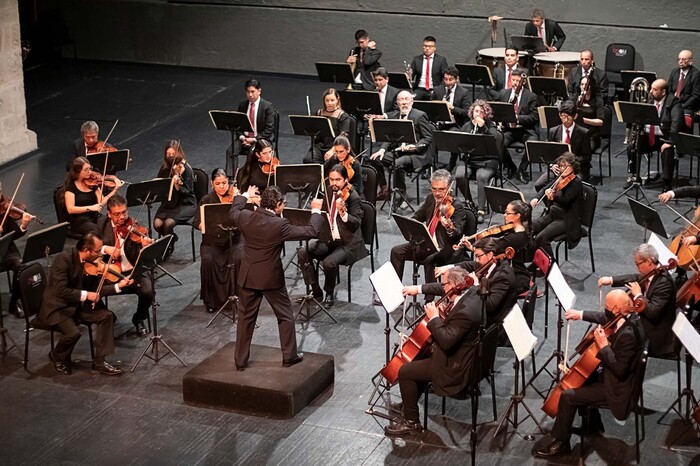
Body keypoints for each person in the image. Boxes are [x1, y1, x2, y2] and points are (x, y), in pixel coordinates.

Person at [536, 289, 646, 457]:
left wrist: (604, 347)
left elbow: (621, 370)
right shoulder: (625, 317)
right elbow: (603, 317)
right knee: (581, 378)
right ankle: (592, 421)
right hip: (611, 377)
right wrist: (580, 314)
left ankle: (561, 442)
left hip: (617, 389)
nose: (605, 309)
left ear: (616, 309)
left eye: (607, 306)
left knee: (568, 395)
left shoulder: (628, 336)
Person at [229, 185, 324, 370]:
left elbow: (234, 211)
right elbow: (311, 231)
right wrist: (315, 209)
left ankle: (240, 361)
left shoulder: (247, 217)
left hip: (248, 276)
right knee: (285, 316)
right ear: (278, 204)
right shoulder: (280, 225)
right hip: (270, 279)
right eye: (284, 204)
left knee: (245, 319)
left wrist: (246, 195)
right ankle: (289, 356)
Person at [383, 267, 481, 436]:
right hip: (463, 356)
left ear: (454, 285)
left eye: (444, 285)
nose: (442, 288)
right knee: (420, 360)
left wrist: (435, 317)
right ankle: (409, 404)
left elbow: (447, 341)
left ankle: (411, 422)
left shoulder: (464, 312)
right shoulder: (472, 294)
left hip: (455, 368)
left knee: (405, 371)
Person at [39, 232, 133, 376]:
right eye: (97, 251)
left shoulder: (90, 264)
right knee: (73, 334)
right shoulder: (63, 260)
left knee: (106, 316)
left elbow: (96, 288)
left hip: (77, 304)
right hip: (58, 306)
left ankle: (100, 362)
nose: (100, 255)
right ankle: (56, 356)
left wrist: (119, 285)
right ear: (87, 251)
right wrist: (86, 295)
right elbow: (60, 291)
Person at [375, 170, 468, 306]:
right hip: (427, 243)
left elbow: (457, 233)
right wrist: (414, 227)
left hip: (445, 248)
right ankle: (395, 293)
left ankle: (428, 301)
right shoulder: (431, 199)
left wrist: (449, 227)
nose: (437, 193)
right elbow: (417, 217)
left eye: (441, 189)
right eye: (434, 189)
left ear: (449, 188)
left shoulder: (457, 207)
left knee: (429, 259)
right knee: (397, 251)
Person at [297, 164, 366, 307]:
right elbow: (324, 214)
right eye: (331, 179)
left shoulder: (353, 197)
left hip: (348, 243)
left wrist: (344, 215)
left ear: (346, 179)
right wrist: (315, 211)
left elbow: (357, 223)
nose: (334, 183)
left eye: (338, 180)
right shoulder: (329, 190)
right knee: (303, 252)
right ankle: (315, 290)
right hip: (329, 238)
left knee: (329, 262)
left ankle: (329, 292)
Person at [592, 244, 677, 358]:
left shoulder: (664, 283)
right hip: (644, 320)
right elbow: (635, 278)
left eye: (638, 264)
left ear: (649, 261)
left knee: (622, 338)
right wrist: (611, 280)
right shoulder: (653, 273)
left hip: (654, 334)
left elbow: (653, 312)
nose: (637, 268)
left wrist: (638, 295)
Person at [97, 195, 154, 337]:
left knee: (148, 291)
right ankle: (107, 316)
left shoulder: (132, 225)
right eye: (117, 214)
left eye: (124, 212)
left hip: (132, 271)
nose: (122, 217)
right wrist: (105, 248)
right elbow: (87, 248)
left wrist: (143, 246)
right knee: (91, 290)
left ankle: (139, 318)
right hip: (110, 273)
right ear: (109, 214)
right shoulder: (100, 226)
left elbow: (140, 256)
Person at [427, 237, 518, 325]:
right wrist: (447, 267)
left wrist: (476, 285)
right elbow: (470, 265)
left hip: (491, 320)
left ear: (490, 254)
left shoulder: (503, 277)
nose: (477, 260)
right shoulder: (492, 263)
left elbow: (490, 306)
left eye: (478, 256)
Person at [449, 200, 533, 295]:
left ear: (518, 216)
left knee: (477, 289)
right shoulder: (513, 229)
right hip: (504, 270)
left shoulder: (516, 238)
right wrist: (472, 247)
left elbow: (492, 249)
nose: (504, 215)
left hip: (514, 276)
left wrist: (473, 247)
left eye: (508, 213)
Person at [369, 90, 433, 212]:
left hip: (417, 154)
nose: (404, 102)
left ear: (412, 101)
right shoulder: (395, 116)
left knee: (396, 164)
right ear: (397, 103)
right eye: (401, 100)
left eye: (406, 99)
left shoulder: (420, 115)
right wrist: (382, 150)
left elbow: (428, 138)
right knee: (375, 159)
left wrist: (415, 146)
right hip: (401, 152)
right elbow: (390, 137)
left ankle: (403, 196)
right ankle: (384, 189)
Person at [194, 169, 243, 313]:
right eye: (218, 184)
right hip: (212, 242)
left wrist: (239, 200)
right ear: (212, 184)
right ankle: (212, 301)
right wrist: (202, 224)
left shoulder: (235, 197)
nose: (222, 187)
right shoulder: (207, 200)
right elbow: (196, 220)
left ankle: (240, 297)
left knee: (239, 257)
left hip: (233, 240)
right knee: (208, 259)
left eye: (224, 183)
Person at [624, 79, 683, 191]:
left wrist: (670, 142)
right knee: (633, 145)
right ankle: (634, 177)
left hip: (664, 138)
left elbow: (676, 124)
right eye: (651, 88)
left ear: (663, 92)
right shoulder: (649, 100)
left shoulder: (674, 103)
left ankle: (667, 183)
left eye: (655, 90)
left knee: (667, 151)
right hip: (648, 136)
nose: (650, 91)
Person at [455, 100, 503, 222]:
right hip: (470, 160)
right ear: (472, 112)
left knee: (481, 176)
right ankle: (469, 202)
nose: (478, 114)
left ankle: (481, 209)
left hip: (487, 161)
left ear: (485, 114)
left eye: (482, 112)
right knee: (460, 175)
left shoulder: (491, 126)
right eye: (476, 111)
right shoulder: (467, 126)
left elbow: (493, 141)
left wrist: (483, 128)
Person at [530, 152, 582, 258]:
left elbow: (566, 200)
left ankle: (551, 267)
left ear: (573, 166)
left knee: (541, 238)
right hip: (553, 215)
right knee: (529, 228)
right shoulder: (560, 179)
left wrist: (554, 196)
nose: (562, 169)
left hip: (567, 220)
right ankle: (536, 261)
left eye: (565, 166)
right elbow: (545, 188)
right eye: (561, 166)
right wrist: (536, 198)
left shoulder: (576, 183)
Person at [534, 100, 591, 188]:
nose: (565, 119)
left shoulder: (584, 133)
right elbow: (549, 154)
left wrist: (570, 164)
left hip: (576, 169)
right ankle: (551, 202)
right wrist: (553, 165)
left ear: (575, 116)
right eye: (563, 116)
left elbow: (586, 157)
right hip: (559, 168)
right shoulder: (553, 131)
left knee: (571, 187)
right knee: (539, 185)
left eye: (568, 117)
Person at [154, 141, 196, 258]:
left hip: (186, 204)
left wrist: (178, 187)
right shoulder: (164, 168)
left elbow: (188, 191)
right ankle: (172, 237)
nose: (171, 157)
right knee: (157, 224)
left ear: (179, 153)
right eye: (168, 154)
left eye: (174, 154)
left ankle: (168, 246)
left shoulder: (186, 169)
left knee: (168, 224)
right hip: (169, 202)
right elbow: (160, 184)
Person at [63, 156, 124, 236]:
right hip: (79, 222)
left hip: (95, 217)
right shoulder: (71, 187)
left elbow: (101, 203)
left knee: (115, 224)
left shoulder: (92, 183)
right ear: (78, 172)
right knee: (100, 231)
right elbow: (70, 209)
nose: (90, 172)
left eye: (90, 168)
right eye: (86, 170)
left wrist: (115, 189)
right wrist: (90, 208)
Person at [226, 79, 276, 175]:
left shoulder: (267, 106)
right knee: (230, 151)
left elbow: (269, 129)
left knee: (252, 153)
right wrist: (242, 137)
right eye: (248, 92)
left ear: (259, 91)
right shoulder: (242, 105)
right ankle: (232, 178)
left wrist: (254, 139)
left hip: (260, 138)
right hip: (244, 138)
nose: (250, 95)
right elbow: (238, 125)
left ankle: (248, 177)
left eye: (253, 91)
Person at [499, 68, 540, 184]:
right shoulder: (504, 94)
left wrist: (517, 118)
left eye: (517, 80)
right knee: (499, 143)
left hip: (525, 130)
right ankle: (511, 167)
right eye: (513, 80)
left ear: (523, 82)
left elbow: (534, 117)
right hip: (510, 130)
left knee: (532, 144)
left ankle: (521, 170)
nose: (515, 83)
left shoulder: (531, 96)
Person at [0, 183, 34, 319]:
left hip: (6, 251)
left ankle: (14, 304)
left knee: (21, 267)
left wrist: (24, 225)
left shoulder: (4, 206)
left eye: (0, 190)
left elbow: (13, 234)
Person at [431, 66, 472, 172]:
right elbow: (431, 108)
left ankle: (451, 164)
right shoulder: (437, 90)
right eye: (445, 79)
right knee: (429, 134)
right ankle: (432, 165)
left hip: (455, 124)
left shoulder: (464, 92)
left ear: (457, 79)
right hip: (439, 123)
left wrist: (452, 107)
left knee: (455, 136)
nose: (448, 82)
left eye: (450, 79)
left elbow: (466, 112)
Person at [303, 88, 352, 164]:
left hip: (335, 147)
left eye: (332, 100)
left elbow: (343, 136)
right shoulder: (319, 113)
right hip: (319, 146)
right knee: (308, 159)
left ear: (337, 100)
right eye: (327, 100)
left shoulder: (343, 116)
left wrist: (333, 150)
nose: (329, 103)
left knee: (331, 162)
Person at [667, 50, 700, 132]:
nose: (680, 61)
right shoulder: (674, 72)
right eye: (679, 59)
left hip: (687, 106)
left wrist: (681, 107)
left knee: (680, 118)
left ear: (690, 61)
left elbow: (696, 96)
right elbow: (669, 90)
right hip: (673, 104)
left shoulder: (696, 74)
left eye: (684, 59)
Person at [409, 36, 449, 100]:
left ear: (434, 48)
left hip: (434, 89)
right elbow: (411, 76)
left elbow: (445, 77)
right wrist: (408, 74)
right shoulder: (416, 59)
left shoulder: (441, 60)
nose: (427, 48)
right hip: (419, 89)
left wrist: (439, 90)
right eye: (425, 46)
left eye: (430, 46)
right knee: (411, 100)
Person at [575, 75, 605, 152]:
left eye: (586, 85)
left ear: (591, 86)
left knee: (582, 150)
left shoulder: (598, 100)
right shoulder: (576, 99)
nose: (584, 87)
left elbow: (600, 122)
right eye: (582, 84)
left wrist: (583, 120)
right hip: (576, 134)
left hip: (591, 136)